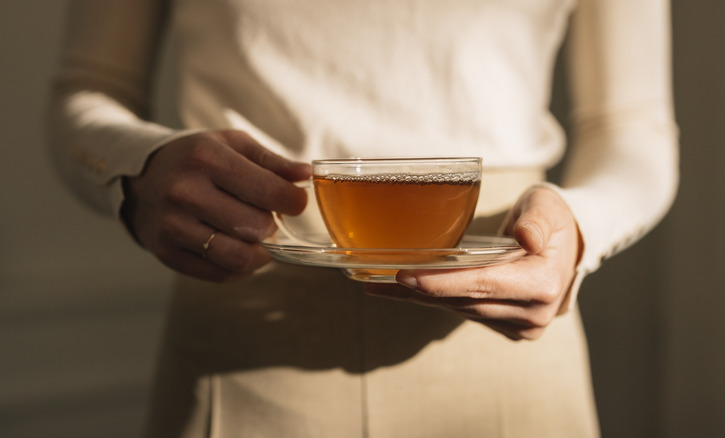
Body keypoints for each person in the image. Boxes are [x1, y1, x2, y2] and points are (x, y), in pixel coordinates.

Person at [47, 0, 678, 437]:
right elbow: (87, 86)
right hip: (243, 341)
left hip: (503, 342)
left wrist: (578, 229)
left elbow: (632, 124)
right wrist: (137, 166)